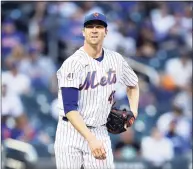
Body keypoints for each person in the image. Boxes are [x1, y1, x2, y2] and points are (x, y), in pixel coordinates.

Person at [54, 12, 139, 169]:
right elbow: (70, 108)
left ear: (106, 32)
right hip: (71, 132)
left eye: (99, 27)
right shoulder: (72, 63)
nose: (94, 30)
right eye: (90, 26)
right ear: (83, 32)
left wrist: (134, 111)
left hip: (100, 130)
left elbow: (133, 84)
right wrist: (90, 139)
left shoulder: (116, 60)